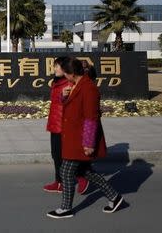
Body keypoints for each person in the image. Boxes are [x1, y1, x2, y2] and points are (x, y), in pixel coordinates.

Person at [47, 57, 124, 219]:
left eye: (65, 73)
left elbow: (91, 117)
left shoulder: (89, 88)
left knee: (66, 171)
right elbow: (70, 107)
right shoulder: (76, 85)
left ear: (71, 73)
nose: (64, 77)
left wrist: (89, 143)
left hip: (81, 139)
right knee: (84, 171)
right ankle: (115, 197)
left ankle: (66, 208)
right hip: (74, 137)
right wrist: (63, 96)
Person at [44, 57, 89, 194]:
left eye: (57, 66)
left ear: (65, 68)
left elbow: (73, 105)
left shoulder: (70, 84)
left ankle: (83, 177)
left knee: (70, 155)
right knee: (56, 155)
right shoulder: (57, 82)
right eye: (54, 66)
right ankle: (59, 182)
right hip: (55, 124)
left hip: (65, 125)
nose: (54, 69)